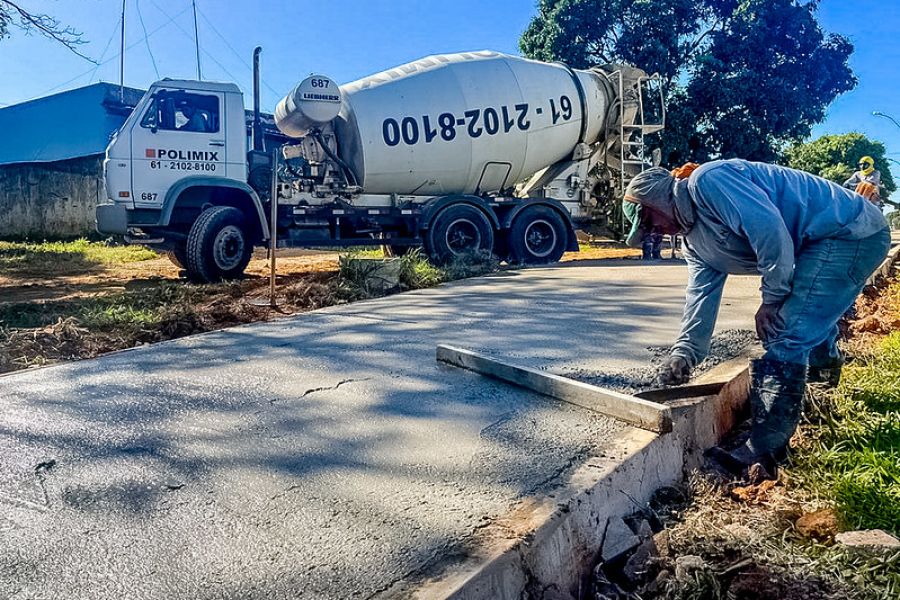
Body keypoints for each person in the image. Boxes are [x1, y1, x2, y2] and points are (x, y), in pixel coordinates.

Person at [622, 159, 890, 475]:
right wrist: (685, 354)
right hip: (816, 243)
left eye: (648, 220)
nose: (652, 232)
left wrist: (772, 300)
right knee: (809, 314)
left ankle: (765, 452)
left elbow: (771, 233)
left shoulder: (709, 182)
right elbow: (700, 297)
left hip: (849, 232)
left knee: (786, 329)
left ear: (659, 199)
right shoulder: (695, 243)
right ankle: (821, 393)